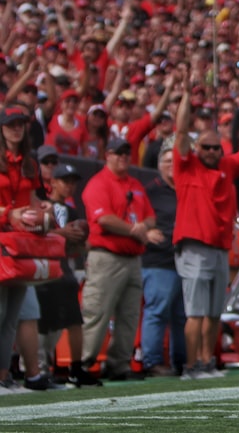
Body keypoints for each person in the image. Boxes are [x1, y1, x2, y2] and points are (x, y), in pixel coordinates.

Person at [173, 78, 239, 379]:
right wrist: (186, 94)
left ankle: (207, 361)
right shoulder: (186, 165)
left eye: (215, 147)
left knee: (213, 313)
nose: (212, 151)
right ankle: (191, 365)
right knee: (196, 313)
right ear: (197, 148)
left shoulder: (227, 165)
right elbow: (179, 131)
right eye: (206, 147)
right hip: (194, 247)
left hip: (219, 248)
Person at [80, 137, 163, 381]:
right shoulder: (98, 183)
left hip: (133, 258)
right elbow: (103, 219)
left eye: (127, 153)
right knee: (97, 312)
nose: (123, 157)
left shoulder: (135, 184)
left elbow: (150, 217)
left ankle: (119, 364)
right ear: (107, 155)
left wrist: (140, 228)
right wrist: (135, 230)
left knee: (129, 315)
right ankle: (84, 364)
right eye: (118, 153)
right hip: (106, 257)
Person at [34, 162, 100, 387]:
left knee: (73, 321)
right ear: (52, 182)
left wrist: (81, 244)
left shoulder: (71, 211)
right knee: (43, 324)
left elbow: (75, 247)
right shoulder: (41, 206)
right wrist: (62, 234)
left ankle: (75, 367)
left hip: (64, 268)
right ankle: (38, 369)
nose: (70, 186)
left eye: (73, 183)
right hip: (43, 268)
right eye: (65, 181)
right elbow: (34, 234)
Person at [0, 107, 52, 393]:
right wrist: (9, 214)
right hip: (2, 238)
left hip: (19, 243)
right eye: (10, 124)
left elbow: (31, 199)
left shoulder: (29, 163)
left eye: (20, 124)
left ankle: (4, 375)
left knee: (12, 315)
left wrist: (40, 208)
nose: (16, 129)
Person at [140, 140, 187, 377]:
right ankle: (152, 361)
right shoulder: (150, 190)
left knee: (182, 315)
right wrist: (144, 232)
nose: (171, 165)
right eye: (167, 161)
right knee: (157, 311)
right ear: (159, 165)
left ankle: (181, 360)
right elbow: (138, 216)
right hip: (159, 260)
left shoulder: (185, 187)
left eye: (174, 161)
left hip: (184, 259)